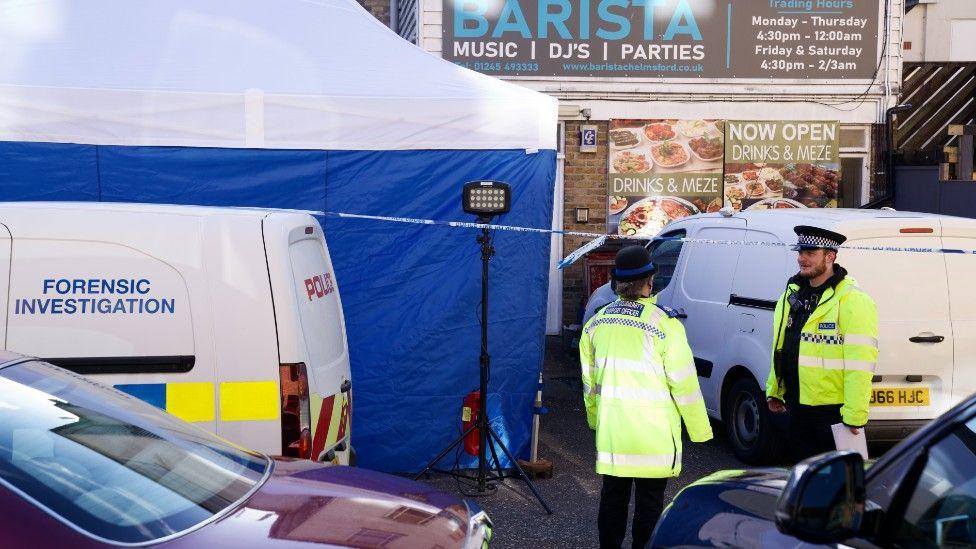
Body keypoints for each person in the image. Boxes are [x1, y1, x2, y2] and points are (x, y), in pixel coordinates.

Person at [580, 245, 713, 549]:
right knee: (650, 506)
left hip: (614, 434)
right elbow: (685, 385)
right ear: (650, 282)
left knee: (612, 501)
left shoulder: (595, 325)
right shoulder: (665, 325)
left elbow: (590, 385)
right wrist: (700, 431)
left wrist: (595, 421)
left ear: (617, 283)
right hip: (653, 438)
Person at [766, 225, 879, 462]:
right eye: (800, 252)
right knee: (804, 479)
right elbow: (782, 347)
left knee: (838, 483)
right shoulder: (792, 294)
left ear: (830, 256)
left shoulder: (852, 300)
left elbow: (861, 365)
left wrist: (854, 415)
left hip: (832, 412)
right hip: (797, 406)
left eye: (810, 252)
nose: (802, 258)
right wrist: (775, 390)